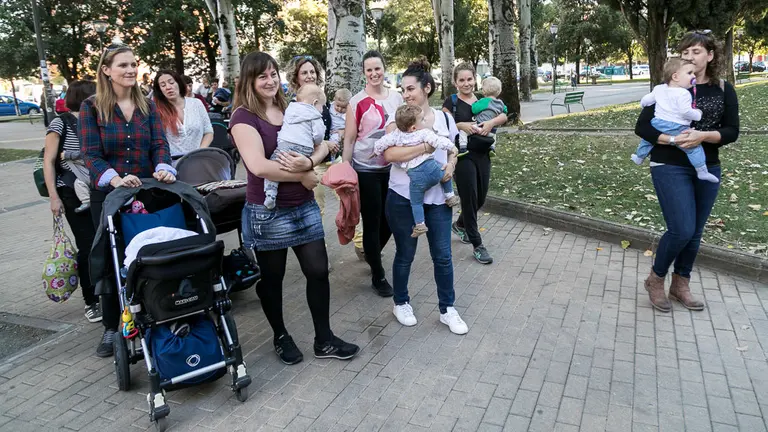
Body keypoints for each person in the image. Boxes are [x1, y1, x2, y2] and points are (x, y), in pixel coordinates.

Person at [229, 51, 359, 364]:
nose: (270, 80)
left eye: (273, 74)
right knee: (273, 279)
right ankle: (281, 335)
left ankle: (324, 339)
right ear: (250, 80)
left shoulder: (289, 107)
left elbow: (316, 145)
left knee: (317, 271)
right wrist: (304, 174)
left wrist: (312, 162)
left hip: (303, 206)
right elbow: (259, 167)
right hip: (267, 210)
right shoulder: (243, 117)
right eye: (262, 76)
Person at [80, 43, 177, 357]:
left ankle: (158, 309)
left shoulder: (147, 106)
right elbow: (90, 155)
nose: (131, 70)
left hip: (146, 192)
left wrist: (163, 167)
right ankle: (112, 326)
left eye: (134, 64)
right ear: (106, 70)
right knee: (112, 261)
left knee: (150, 252)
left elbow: (159, 145)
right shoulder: (92, 107)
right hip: (109, 196)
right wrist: (115, 178)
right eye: (123, 65)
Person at [635, 31, 739, 312]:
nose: (690, 57)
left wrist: (702, 137)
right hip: (668, 163)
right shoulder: (669, 85)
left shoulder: (723, 88)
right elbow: (643, 127)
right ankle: (655, 279)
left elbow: (732, 131)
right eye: (685, 53)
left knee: (694, 232)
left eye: (696, 52)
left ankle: (681, 284)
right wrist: (672, 140)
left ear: (710, 55)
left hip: (707, 165)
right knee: (681, 229)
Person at [382, 58, 467, 335]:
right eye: (403, 89)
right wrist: (424, 147)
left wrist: (450, 167)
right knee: (405, 253)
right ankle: (401, 302)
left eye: (410, 89)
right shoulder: (399, 120)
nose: (405, 94)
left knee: (442, 255)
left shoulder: (444, 118)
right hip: (404, 197)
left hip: (438, 199)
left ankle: (447, 309)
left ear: (427, 88)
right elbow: (389, 154)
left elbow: (453, 149)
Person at [342, 50, 404, 297]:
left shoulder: (397, 98)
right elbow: (349, 139)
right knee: (372, 219)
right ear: (363, 73)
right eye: (369, 70)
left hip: (392, 168)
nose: (374, 73)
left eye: (377, 68)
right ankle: (378, 275)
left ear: (384, 68)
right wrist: (346, 171)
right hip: (365, 169)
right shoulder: (356, 102)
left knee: (390, 219)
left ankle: (372, 252)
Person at [42, 79, 100, 322]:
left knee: (105, 242)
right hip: (71, 191)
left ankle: (108, 291)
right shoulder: (61, 122)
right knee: (87, 246)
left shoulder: (97, 119)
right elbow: (49, 161)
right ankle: (91, 301)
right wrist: (54, 197)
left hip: (98, 188)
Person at [443, 63, 507, 265]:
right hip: (462, 156)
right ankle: (478, 245)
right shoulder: (451, 101)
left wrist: (491, 123)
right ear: (455, 82)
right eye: (461, 80)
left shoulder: (483, 100)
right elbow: (443, 125)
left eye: (469, 79)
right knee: (470, 198)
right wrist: (460, 125)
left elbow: (503, 115)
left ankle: (460, 225)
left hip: (483, 153)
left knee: (480, 197)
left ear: (475, 80)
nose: (466, 83)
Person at [373, 104, 459, 237]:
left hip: (415, 177)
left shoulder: (396, 135)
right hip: (431, 169)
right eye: (422, 120)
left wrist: (375, 151)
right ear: (413, 127)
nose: (425, 122)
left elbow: (382, 143)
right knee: (443, 174)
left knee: (416, 202)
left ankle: (420, 224)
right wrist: (452, 147)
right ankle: (450, 196)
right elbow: (438, 141)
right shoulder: (424, 133)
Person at [632, 59, 718, 184]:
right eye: (689, 73)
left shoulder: (659, 88)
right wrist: (698, 114)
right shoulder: (683, 93)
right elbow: (685, 112)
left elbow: (646, 100)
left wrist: (643, 104)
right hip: (677, 127)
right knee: (693, 148)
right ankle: (702, 171)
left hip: (658, 123)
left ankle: (639, 157)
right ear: (675, 77)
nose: (694, 76)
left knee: (647, 140)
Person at [264, 84, 326, 209]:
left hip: (284, 145)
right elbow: (319, 136)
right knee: (301, 166)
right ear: (315, 103)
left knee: (276, 162)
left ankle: (270, 193)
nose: (322, 109)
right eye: (322, 106)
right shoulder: (315, 115)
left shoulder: (289, 109)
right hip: (305, 148)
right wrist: (317, 142)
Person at [152, 69, 213, 158]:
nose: (168, 87)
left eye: (171, 82)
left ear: (179, 84)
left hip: (199, 160)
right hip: (171, 163)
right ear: (160, 90)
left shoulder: (196, 103)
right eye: (163, 85)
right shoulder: (156, 110)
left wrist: (200, 151)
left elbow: (208, 131)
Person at [456, 76, 507, 156]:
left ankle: (463, 148)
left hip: (480, 127)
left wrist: (475, 104)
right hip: (491, 131)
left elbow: (474, 109)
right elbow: (505, 111)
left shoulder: (484, 101)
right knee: (494, 135)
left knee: (463, 132)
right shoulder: (500, 103)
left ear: (484, 91)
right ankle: (492, 148)